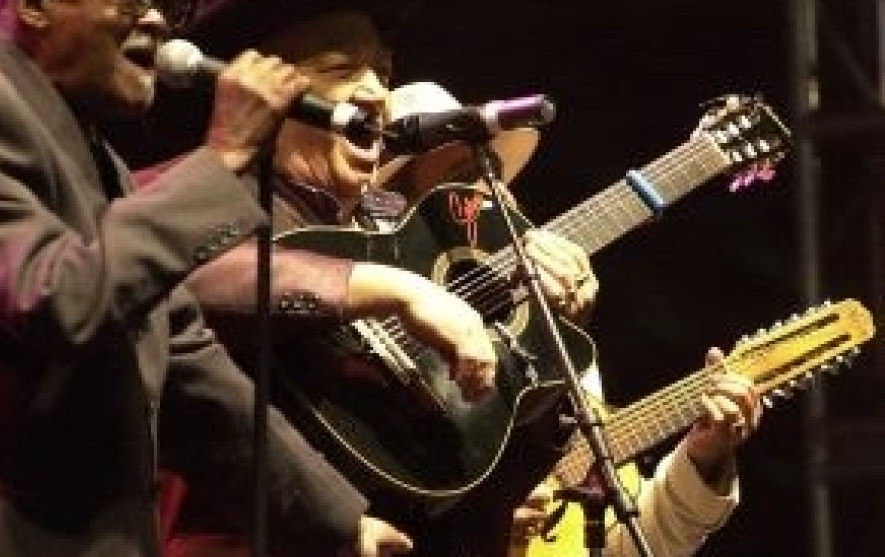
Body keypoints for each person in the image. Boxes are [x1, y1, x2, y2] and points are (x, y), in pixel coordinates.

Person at [148, 4, 761, 556]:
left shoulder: (384, 236)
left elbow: (478, 485)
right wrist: (393, 289)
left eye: (383, 72)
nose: (376, 92)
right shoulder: (192, 193)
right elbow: (181, 280)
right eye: (341, 68)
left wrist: (547, 341)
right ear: (260, 86)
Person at [0, 1, 498, 556]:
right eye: (135, 1)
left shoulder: (90, 152)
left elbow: (185, 362)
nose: (158, 21)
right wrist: (224, 156)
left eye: (165, 5)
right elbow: (57, 300)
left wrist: (338, 521)